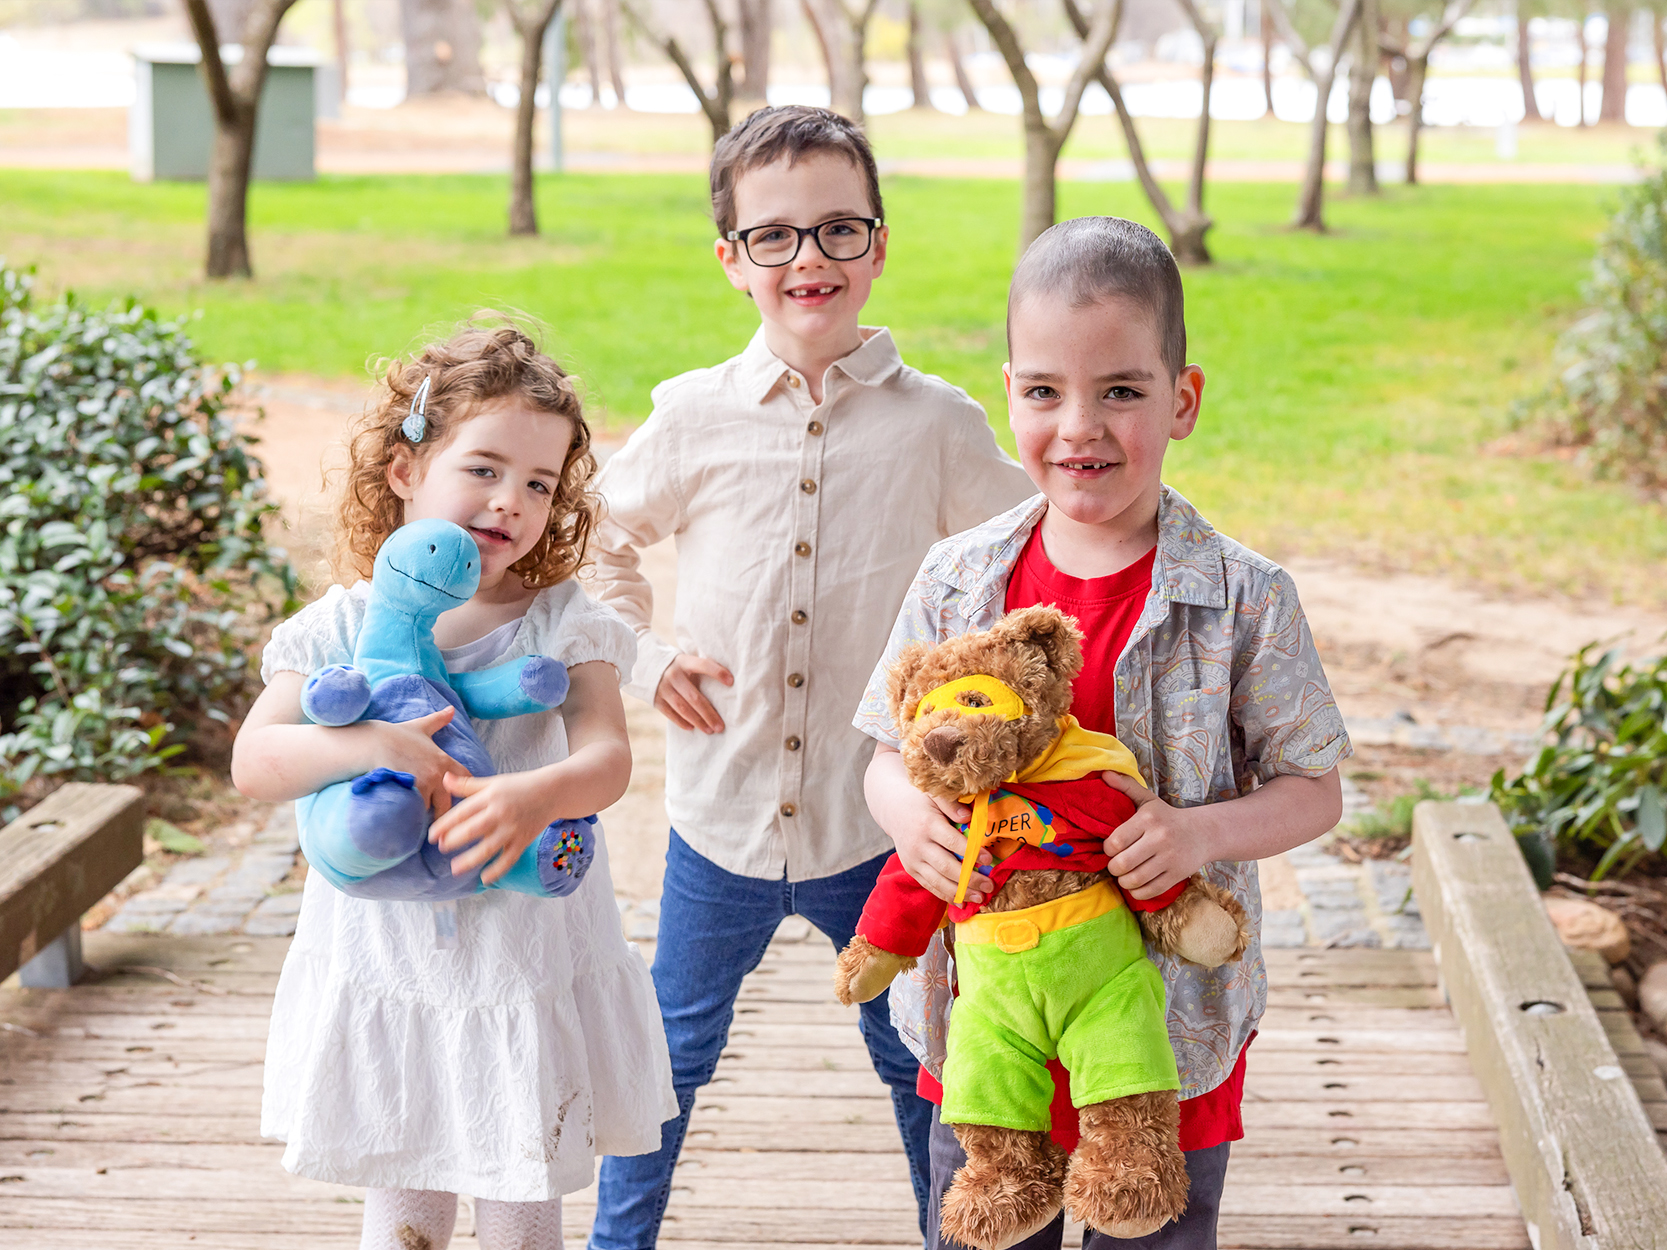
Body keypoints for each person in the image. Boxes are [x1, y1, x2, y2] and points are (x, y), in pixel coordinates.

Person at [585, 104, 1035, 1248]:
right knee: (667, 1054)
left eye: (838, 229)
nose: (808, 259)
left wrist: (971, 705)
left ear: (877, 246)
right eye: (773, 236)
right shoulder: (693, 416)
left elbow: (1029, 558)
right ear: (731, 258)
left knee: (920, 1056)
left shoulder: (936, 426)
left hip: (877, 823)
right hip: (717, 818)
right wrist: (641, 652)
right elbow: (595, 536)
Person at [854, 216, 1352, 1250]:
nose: (1078, 426)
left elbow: (1314, 789)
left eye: (1120, 390)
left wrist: (1197, 833)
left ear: (1182, 400)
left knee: (1152, 1227)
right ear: (1008, 395)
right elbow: (883, 756)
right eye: (1044, 392)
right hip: (990, 1016)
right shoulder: (957, 577)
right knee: (987, 1222)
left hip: (1167, 1029)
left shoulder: (1244, 597)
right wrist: (908, 818)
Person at [232, 321, 676, 1250]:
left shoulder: (562, 622)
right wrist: (369, 745)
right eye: (483, 468)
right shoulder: (343, 626)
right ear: (405, 470)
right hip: (390, 958)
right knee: (406, 1203)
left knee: (522, 1190)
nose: (510, 499)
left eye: (539, 484)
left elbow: (607, 759)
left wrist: (535, 794)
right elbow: (256, 761)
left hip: (521, 953)